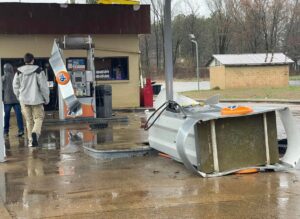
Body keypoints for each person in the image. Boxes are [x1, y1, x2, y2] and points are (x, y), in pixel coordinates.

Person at [13, 53, 49, 147]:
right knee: (38, 118)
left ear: (24, 61)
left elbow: (15, 86)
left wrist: (19, 97)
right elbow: (43, 87)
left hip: (24, 100)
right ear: (33, 60)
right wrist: (46, 98)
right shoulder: (38, 70)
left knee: (29, 120)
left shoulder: (18, 72)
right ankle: (35, 133)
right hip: (36, 100)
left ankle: (30, 141)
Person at [2, 63, 24, 137]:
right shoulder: (16, 76)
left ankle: (6, 131)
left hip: (7, 100)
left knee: (6, 116)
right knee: (19, 115)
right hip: (16, 100)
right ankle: (21, 130)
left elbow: (1, 89)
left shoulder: (3, 78)